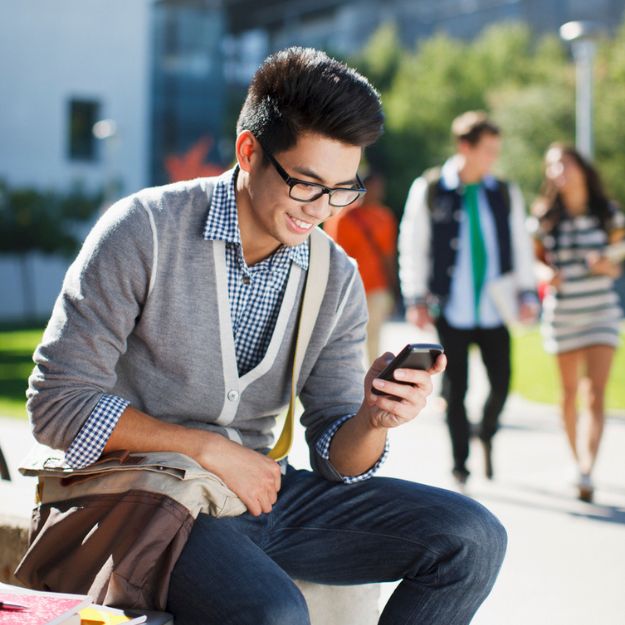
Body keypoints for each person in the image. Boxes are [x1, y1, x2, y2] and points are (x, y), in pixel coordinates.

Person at [25, 49, 506, 625]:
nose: (322, 210)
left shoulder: (335, 277)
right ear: (249, 151)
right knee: (271, 612)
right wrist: (206, 447)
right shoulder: (144, 230)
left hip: (256, 497)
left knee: (473, 537)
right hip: (137, 497)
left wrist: (372, 420)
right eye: (306, 184)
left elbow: (337, 455)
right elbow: (57, 404)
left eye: (340, 189)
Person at [399, 111, 538, 486]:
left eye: (497, 150)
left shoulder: (503, 192)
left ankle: (487, 433)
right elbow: (413, 246)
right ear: (465, 147)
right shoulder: (431, 188)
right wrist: (415, 297)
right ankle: (460, 463)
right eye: (487, 150)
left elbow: (521, 246)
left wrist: (528, 292)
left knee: (502, 382)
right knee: (455, 390)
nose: (493, 157)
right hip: (452, 308)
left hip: (496, 306)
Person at [531, 143, 624, 502]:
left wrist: (607, 265)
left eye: (565, 164)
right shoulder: (544, 217)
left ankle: (588, 467)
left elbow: (617, 257)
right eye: (552, 166)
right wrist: (546, 275)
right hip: (564, 312)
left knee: (596, 392)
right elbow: (534, 260)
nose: (559, 172)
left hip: (601, 310)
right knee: (569, 393)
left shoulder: (608, 214)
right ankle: (574, 460)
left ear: (581, 169)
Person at [324, 170, 398, 363]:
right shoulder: (343, 218)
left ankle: (374, 378)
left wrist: (394, 287)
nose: (378, 192)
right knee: (348, 337)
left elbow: (389, 256)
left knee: (373, 336)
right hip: (351, 287)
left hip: (378, 287)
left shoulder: (386, 217)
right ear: (363, 189)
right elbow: (334, 256)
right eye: (374, 188)